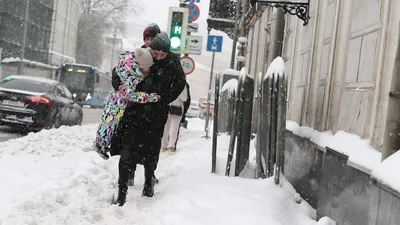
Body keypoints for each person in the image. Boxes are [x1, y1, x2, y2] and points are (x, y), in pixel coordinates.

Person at [111, 32, 186, 206]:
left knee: (151, 151)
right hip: (135, 111)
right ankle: (122, 193)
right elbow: (119, 70)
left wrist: (166, 98)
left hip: (156, 114)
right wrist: (119, 85)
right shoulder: (141, 54)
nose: (159, 58)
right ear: (150, 49)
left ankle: (148, 182)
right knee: (127, 150)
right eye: (156, 54)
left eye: (162, 55)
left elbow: (180, 82)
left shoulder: (173, 62)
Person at [94, 48, 160, 159]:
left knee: (107, 122)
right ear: (140, 66)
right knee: (110, 124)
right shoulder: (130, 76)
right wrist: (151, 97)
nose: (148, 70)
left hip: (115, 100)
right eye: (146, 68)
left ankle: (102, 144)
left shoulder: (129, 65)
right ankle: (101, 146)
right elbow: (132, 95)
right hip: (117, 104)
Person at [161, 85, 188, 153]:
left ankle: (171, 146)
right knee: (165, 128)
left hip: (177, 109)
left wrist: (178, 91)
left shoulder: (182, 86)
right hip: (167, 109)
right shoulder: (168, 82)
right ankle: (164, 145)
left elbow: (184, 98)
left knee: (173, 129)